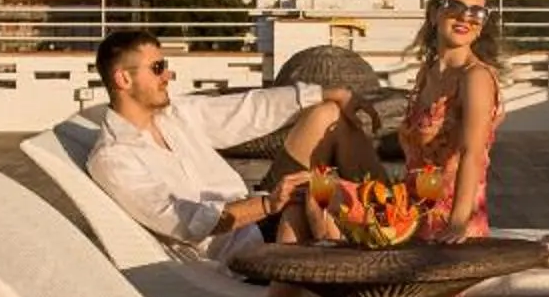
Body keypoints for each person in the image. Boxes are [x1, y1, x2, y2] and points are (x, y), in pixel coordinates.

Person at [85, 27, 355, 267]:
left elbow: (246, 110)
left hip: (259, 216)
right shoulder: (113, 159)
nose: (168, 75)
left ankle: (377, 210)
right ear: (123, 79)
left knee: (330, 115)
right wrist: (268, 204)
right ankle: (355, 265)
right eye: (157, 68)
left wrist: (325, 93)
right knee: (314, 203)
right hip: (238, 250)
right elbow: (184, 221)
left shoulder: (174, 115)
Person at [399, 0, 502, 242]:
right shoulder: (427, 73)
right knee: (315, 196)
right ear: (435, 13)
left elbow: (472, 153)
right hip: (411, 215)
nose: (465, 17)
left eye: (477, 12)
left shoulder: (475, 78)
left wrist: (457, 224)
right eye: (455, 6)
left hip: (447, 225)